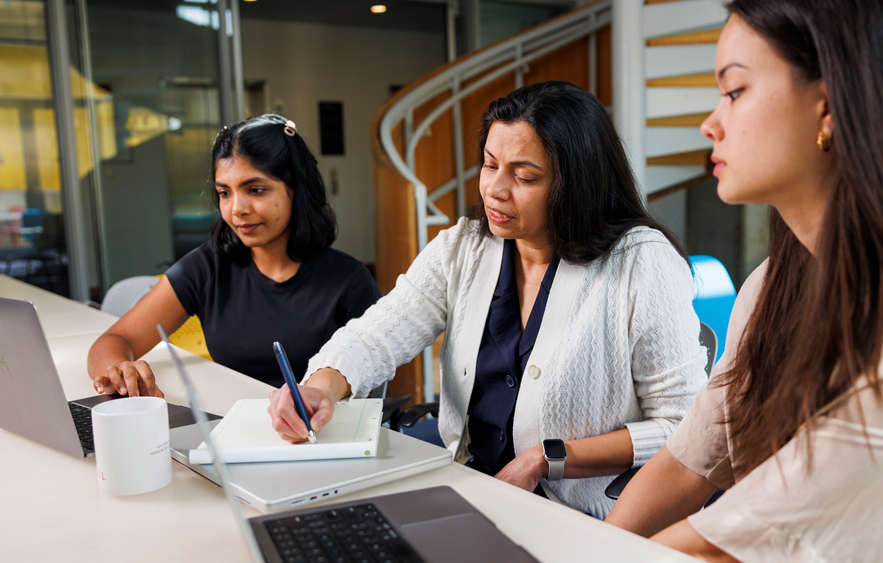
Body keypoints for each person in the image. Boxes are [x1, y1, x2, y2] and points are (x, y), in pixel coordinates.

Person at [605, 0, 883, 560]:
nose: (710, 124)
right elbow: (691, 459)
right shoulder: (771, 285)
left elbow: (736, 547)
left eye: (734, 92)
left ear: (827, 107)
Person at [269, 81, 708, 519]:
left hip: (584, 518)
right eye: (489, 165)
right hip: (474, 490)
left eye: (524, 176)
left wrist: (546, 458)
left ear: (577, 184)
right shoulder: (464, 248)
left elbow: (684, 426)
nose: (495, 189)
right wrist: (320, 386)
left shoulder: (640, 262)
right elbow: (380, 331)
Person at [87, 114, 380, 396]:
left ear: (296, 191)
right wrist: (118, 373)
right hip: (232, 429)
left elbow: (369, 375)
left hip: (321, 434)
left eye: (255, 190)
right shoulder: (207, 267)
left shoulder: (349, 281)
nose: (236, 209)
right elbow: (115, 340)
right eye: (224, 193)